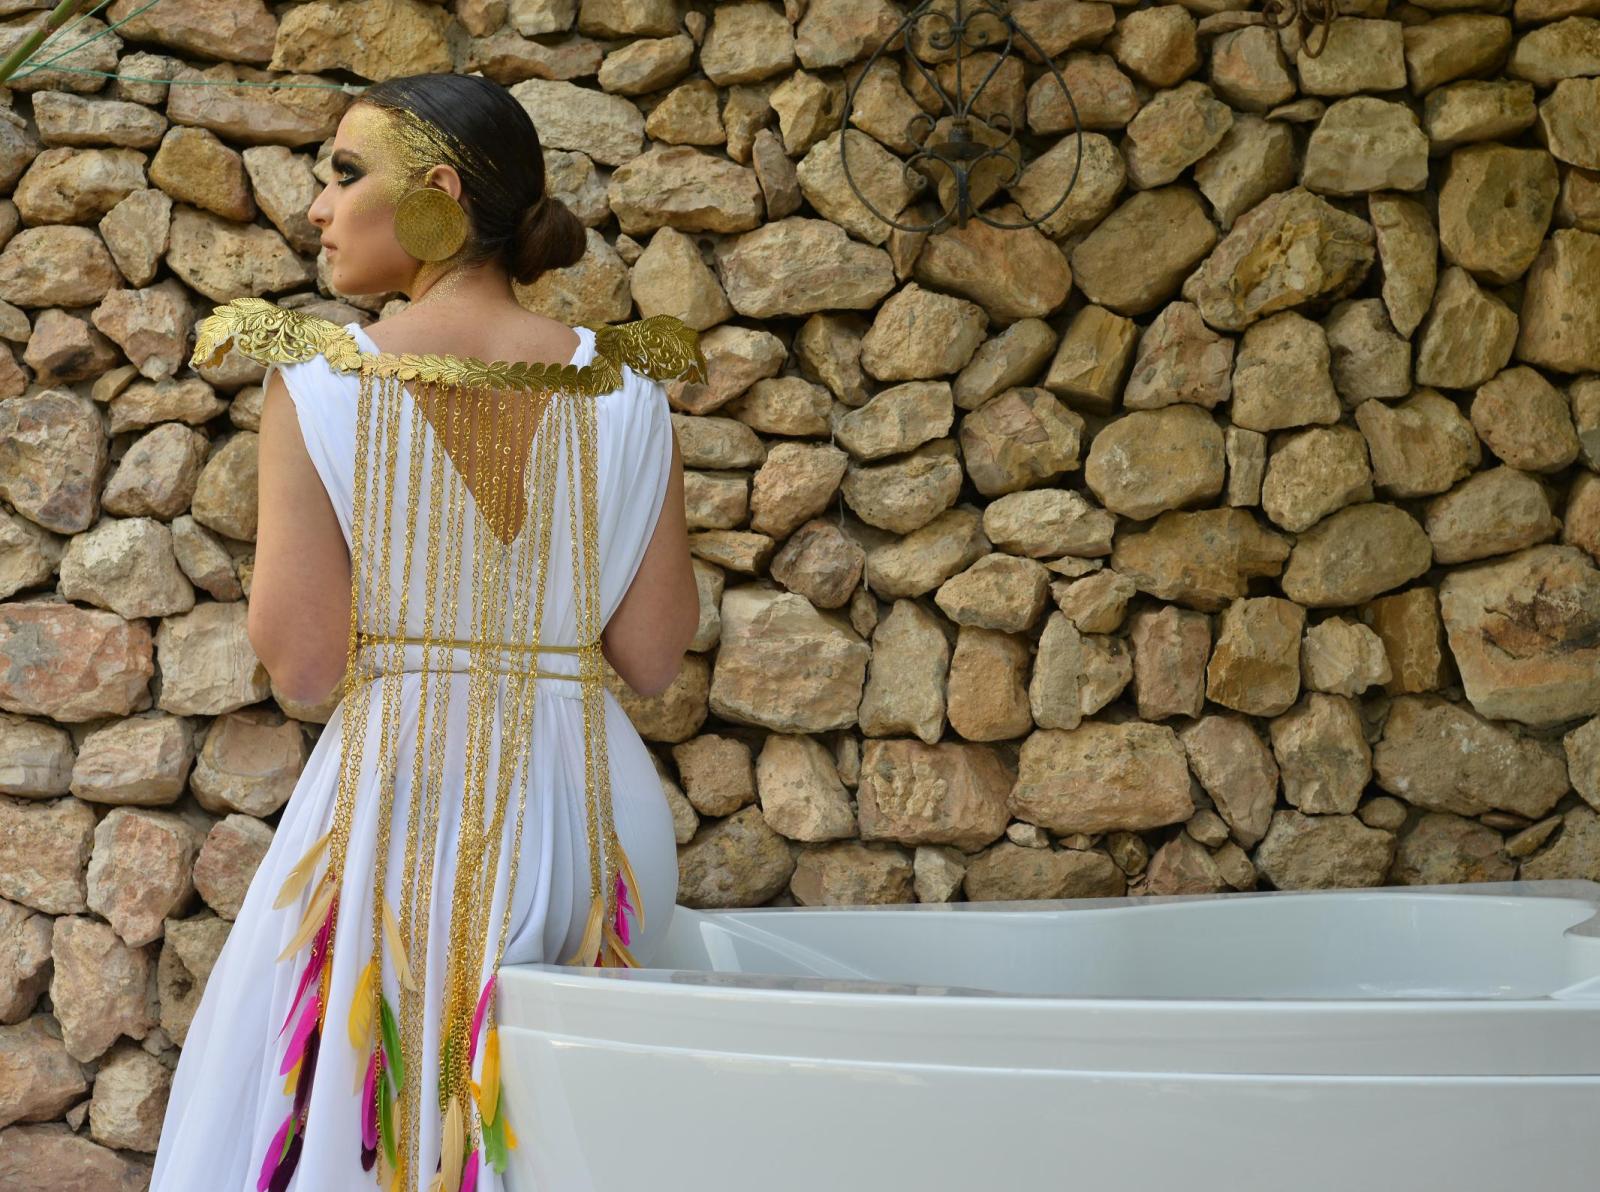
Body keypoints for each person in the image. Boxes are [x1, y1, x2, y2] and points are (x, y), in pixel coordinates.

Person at [150, 72, 703, 1192]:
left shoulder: (322, 382)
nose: (317, 205)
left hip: (405, 807)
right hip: (593, 822)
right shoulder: (629, 387)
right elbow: (651, 658)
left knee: (378, 1129)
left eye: (345, 173)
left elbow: (303, 663)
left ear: (438, 195)